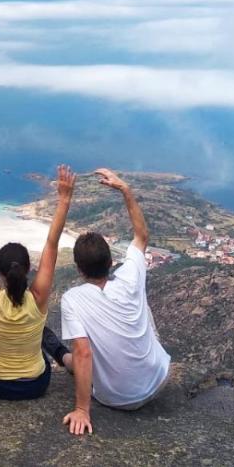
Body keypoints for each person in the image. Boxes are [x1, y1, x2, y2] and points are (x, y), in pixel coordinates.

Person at [59, 167, 172, 435]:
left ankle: (57, 355)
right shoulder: (130, 275)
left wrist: (82, 409)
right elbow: (142, 236)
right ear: (111, 262)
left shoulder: (72, 299)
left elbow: (84, 354)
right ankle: (59, 354)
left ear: (78, 268)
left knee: (74, 355)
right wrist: (125, 190)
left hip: (119, 400)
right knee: (142, 309)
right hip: (160, 379)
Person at [0, 163, 74, 400]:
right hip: (34, 385)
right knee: (38, 337)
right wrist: (64, 199)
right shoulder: (38, 297)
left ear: (0, 273)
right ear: (28, 269)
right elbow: (52, 244)